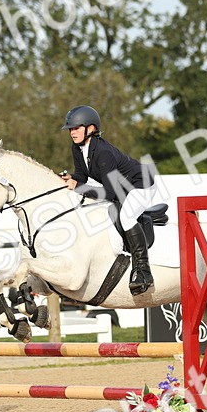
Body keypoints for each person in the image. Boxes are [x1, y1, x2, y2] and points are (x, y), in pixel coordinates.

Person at [58, 104, 159, 294]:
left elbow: (109, 194)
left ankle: (143, 271)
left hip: (141, 185)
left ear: (91, 129)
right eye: (71, 129)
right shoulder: (77, 147)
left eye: (77, 128)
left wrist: (78, 187)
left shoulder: (103, 152)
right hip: (121, 188)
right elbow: (81, 175)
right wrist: (70, 179)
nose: (72, 132)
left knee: (127, 217)